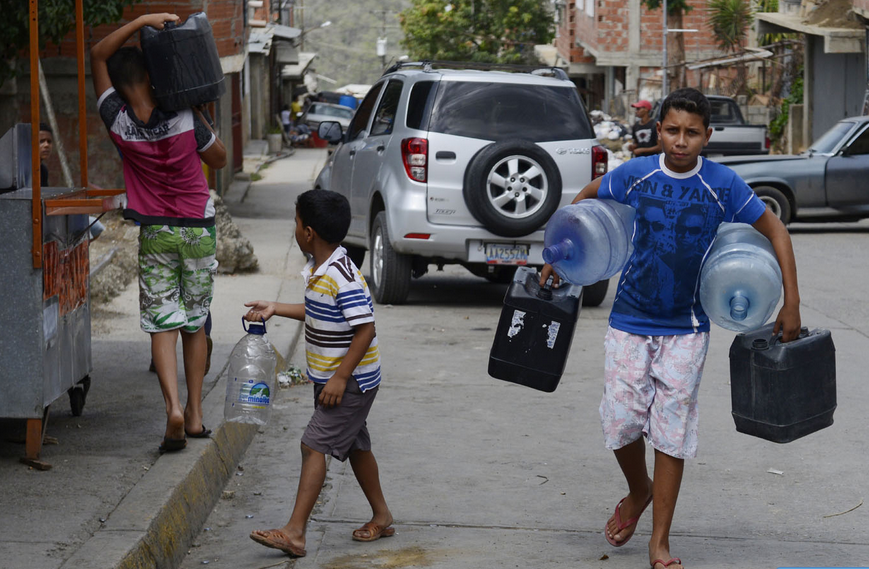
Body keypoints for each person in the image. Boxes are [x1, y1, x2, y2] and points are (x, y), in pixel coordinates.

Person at [541, 88, 801, 569]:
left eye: (692, 133)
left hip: (686, 327)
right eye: (673, 130)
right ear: (658, 130)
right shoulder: (636, 175)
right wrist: (566, 252)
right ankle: (638, 491)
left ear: (707, 136)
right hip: (630, 320)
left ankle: (659, 542)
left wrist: (792, 302)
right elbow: (588, 198)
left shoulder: (722, 184)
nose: (681, 142)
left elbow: (776, 231)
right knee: (620, 423)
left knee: (671, 433)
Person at [91, 13, 227, 453]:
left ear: (118, 83)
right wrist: (207, 120)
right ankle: (194, 415)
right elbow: (220, 160)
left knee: (161, 323)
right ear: (151, 75)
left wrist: (141, 21)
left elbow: (97, 54)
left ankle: (170, 407)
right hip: (198, 232)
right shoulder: (186, 115)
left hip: (156, 235)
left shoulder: (118, 123)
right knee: (193, 324)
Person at [245, 189, 392, 558]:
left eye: (296, 223)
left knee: (313, 445)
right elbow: (316, 310)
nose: (294, 229)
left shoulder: (342, 276)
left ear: (308, 232)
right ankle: (382, 514)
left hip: (351, 381)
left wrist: (341, 378)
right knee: (356, 446)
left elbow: (366, 329)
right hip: (335, 378)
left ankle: (295, 533)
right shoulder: (321, 269)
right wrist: (276, 307)